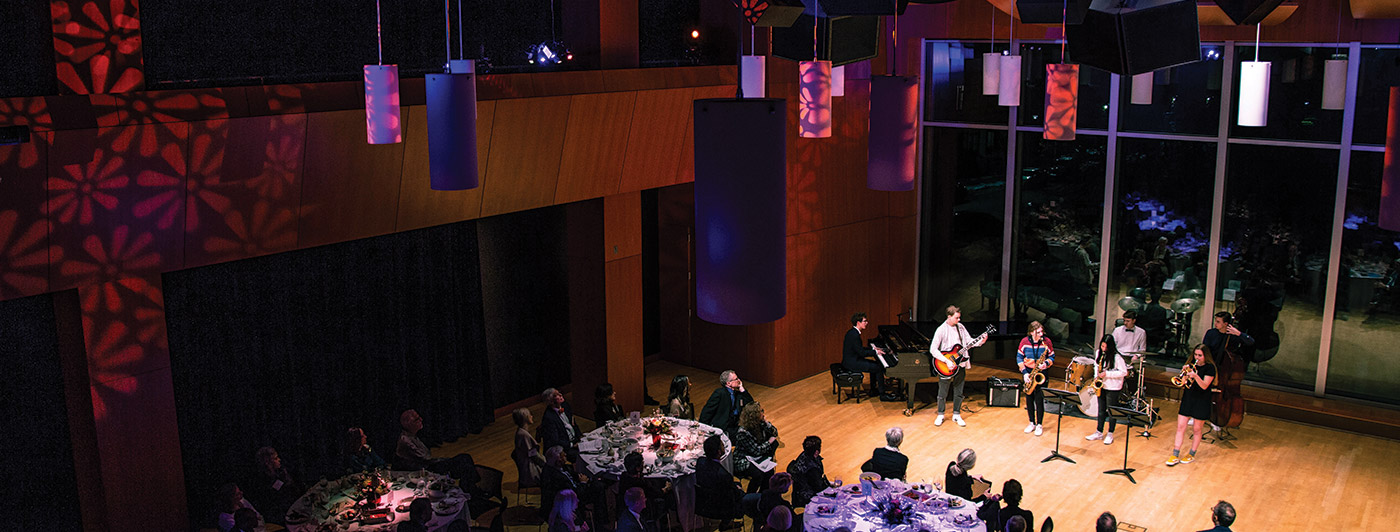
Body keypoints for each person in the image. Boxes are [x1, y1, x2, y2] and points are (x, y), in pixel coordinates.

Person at [931, 305, 985, 427]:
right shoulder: (941, 330)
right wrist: (946, 361)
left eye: (959, 318)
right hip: (946, 365)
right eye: (956, 318)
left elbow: (969, 342)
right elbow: (933, 349)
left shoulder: (961, 327)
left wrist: (981, 341)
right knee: (943, 392)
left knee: (959, 390)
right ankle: (940, 414)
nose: (959, 320)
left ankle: (956, 414)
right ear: (949, 317)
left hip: (959, 364)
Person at [396, 409, 480, 486]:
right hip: (424, 471)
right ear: (409, 424)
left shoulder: (412, 436)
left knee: (464, 460)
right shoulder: (406, 440)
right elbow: (426, 458)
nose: (421, 420)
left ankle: (472, 485)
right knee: (464, 460)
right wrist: (443, 460)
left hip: (426, 466)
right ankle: (470, 487)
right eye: (416, 419)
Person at [1167, 344, 1217, 466]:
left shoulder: (1210, 368)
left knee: (1197, 429)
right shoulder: (1190, 366)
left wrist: (1195, 376)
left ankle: (1192, 454)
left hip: (1202, 400)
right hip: (1188, 399)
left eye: (1200, 355)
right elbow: (1183, 383)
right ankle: (1175, 453)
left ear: (1206, 356)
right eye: (1195, 355)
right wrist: (1184, 374)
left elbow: (1204, 385)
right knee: (1180, 426)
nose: (1197, 357)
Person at [1085, 334, 1129, 445]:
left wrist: (1107, 374)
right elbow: (1096, 365)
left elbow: (1124, 372)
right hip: (1102, 385)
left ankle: (1110, 433)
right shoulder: (1099, 353)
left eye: (1106, 347)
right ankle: (1099, 431)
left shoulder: (1117, 357)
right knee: (1100, 410)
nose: (1103, 349)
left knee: (1111, 411)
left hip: (1113, 387)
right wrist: (1096, 376)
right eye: (1102, 346)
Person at [244, 446, 301, 526]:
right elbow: (275, 499)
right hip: (279, 516)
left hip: (292, 506)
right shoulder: (262, 481)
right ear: (268, 462)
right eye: (275, 458)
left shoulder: (280, 472)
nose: (279, 460)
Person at [843, 312, 894, 400]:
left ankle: (873, 390)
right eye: (864, 321)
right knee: (878, 367)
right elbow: (862, 353)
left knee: (875, 365)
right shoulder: (855, 335)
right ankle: (882, 395)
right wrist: (875, 352)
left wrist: (874, 349)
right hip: (853, 363)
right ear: (858, 322)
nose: (867, 323)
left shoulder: (852, 332)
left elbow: (858, 349)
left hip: (850, 360)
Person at [1016, 321, 1054, 437]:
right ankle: (1031, 422)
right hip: (1029, 373)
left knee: (1039, 400)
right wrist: (1024, 373)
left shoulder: (1046, 342)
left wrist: (1046, 363)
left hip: (1041, 373)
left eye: (1042, 331)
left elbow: (1052, 356)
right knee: (1029, 399)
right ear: (1032, 332)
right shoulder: (1024, 342)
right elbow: (1019, 357)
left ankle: (1039, 424)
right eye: (1038, 332)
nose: (1041, 334)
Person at [695, 434, 744, 524]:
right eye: (722, 445)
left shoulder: (700, 461)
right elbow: (733, 495)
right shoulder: (724, 475)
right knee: (740, 492)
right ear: (719, 452)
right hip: (720, 508)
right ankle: (726, 523)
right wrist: (739, 490)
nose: (724, 447)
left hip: (702, 504)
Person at [733, 403, 779, 492]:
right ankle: (750, 494)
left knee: (770, 472)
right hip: (744, 459)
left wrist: (766, 422)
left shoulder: (760, 423)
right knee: (758, 475)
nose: (763, 413)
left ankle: (763, 494)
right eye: (761, 411)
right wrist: (769, 442)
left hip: (756, 456)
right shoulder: (743, 432)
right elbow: (756, 451)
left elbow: (775, 433)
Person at [786, 435, 840, 507]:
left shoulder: (803, 454)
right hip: (808, 497)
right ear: (816, 452)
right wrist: (830, 486)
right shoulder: (812, 469)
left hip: (798, 494)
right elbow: (818, 487)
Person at [699, 370, 754, 435]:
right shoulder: (720, 393)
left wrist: (742, 389)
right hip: (723, 427)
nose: (739, 380)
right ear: (728, 383)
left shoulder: (738, 394)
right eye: (736, 379)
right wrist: (703, 429)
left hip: (735, 426)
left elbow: (751, 404)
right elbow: (707, 411)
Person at [540, 388, 583, 453]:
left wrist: (580, 437)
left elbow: (573, 423)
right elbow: (555, 440)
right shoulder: (548, 418)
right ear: (551, 401)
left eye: (559, 393)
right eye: (556, 395)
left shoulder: (565, 405)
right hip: (565, 448)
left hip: (576, 440)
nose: (560, 395)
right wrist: (572, 445)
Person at [512, 408, 546, 489]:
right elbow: (533, 455)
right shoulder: (523, 435)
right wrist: (546, 463)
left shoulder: (522, 433)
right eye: (530, 415)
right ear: (525, 418)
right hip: (531, 471)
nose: (531, 416)